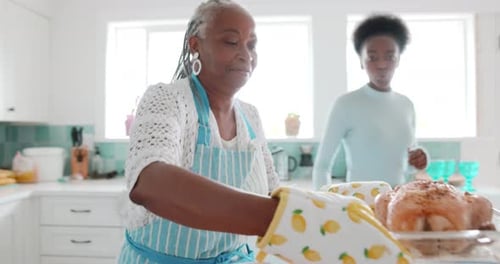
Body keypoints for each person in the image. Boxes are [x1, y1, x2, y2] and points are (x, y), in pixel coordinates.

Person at [117, 2, 413, 263]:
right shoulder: (167, 99)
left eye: (251, 44)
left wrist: (345, 205)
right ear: (195, 45)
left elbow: (271, 192)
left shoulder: (250, 116)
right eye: (231, 41)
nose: (245, 54)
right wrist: (292, 219)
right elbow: (150, 182)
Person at [313, 14, 428, 190]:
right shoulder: (346, 104)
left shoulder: (406, 105)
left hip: (397, 204)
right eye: (373, 57)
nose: (382, 65)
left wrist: (420, 160)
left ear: (398, 60)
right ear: (361, 61)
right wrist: (324, 205)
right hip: (359, 207)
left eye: (389, 56)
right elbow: (322, 166)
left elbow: (408, 161)